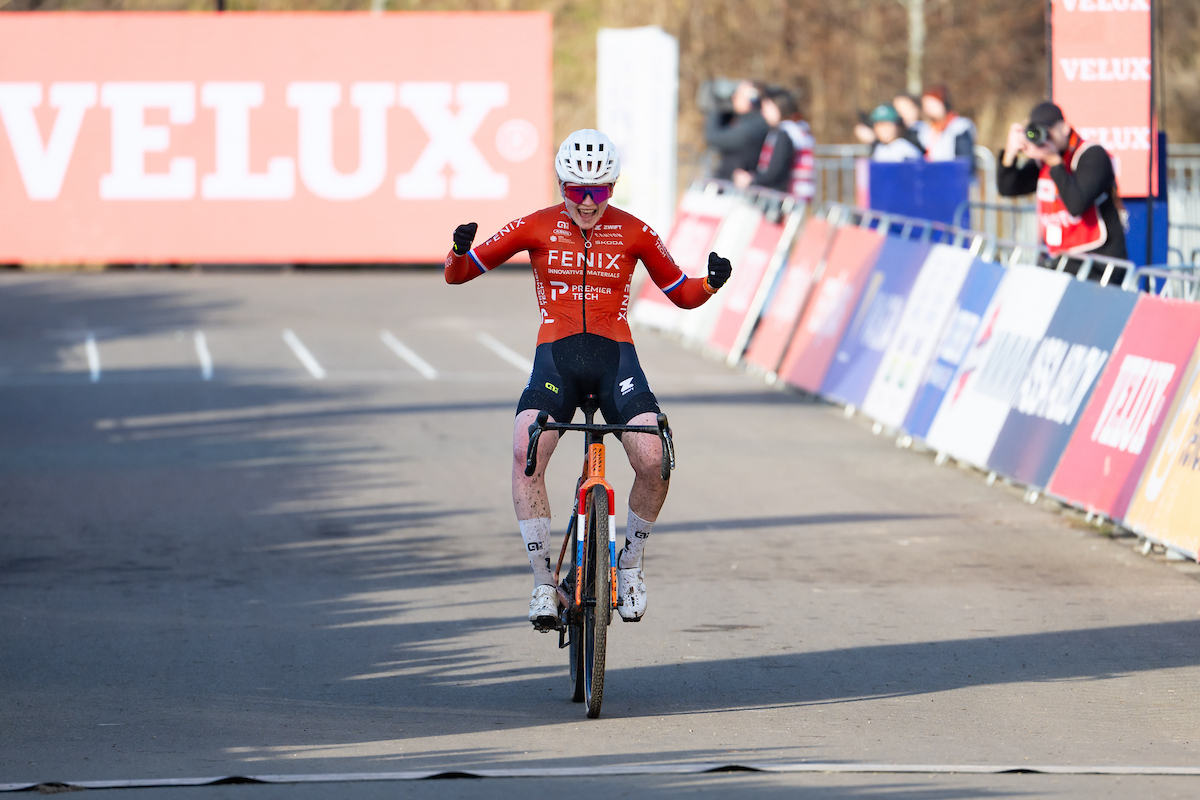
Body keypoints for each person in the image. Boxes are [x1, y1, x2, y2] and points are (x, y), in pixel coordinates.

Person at [444, 129, 733, 629]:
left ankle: (631, 567)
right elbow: (460, 274)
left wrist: (709, 283)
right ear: (561, 184)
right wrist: (456, 250)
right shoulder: (535, 226)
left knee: (655, 458)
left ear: (613, 187)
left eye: (598, 191)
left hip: (615, 360)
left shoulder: (634, 230)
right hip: (556, 363)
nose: (586, 203)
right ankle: (541, 583)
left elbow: (682, 294)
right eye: (576, 190)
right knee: (524, 447)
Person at [997, 101, 1128, 268]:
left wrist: (1054, 163)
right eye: (1038, 132)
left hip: (1099, 264)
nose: (1045, 137)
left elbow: (1076, 205)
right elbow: (1007, 188)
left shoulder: (1092, 155)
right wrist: (1010, 153)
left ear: (1065, 128)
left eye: (1048, 130)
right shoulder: (1043, 159)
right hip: (1063, 258)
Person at [704, 80, 769, 181]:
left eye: (738, 94)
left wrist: (716, 106)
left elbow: (713, 137)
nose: (733, 97)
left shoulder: (752, 127)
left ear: (752, 99)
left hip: (735, 189)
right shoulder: (747, 120)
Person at [732, 87, 793, 193]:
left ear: (778, 106)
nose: (763, 112)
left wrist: (752, 180)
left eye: (767, 107)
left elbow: (776, 171)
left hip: (780, 194)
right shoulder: (784, 130)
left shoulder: (785, 133)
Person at [920, 85, 975, 162]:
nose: (928, 110)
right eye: (926, 106)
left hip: (952, 171)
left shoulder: (959, 127)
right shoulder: (927, 130)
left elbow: (964, 159)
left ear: (942, 103)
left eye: (932, 105)